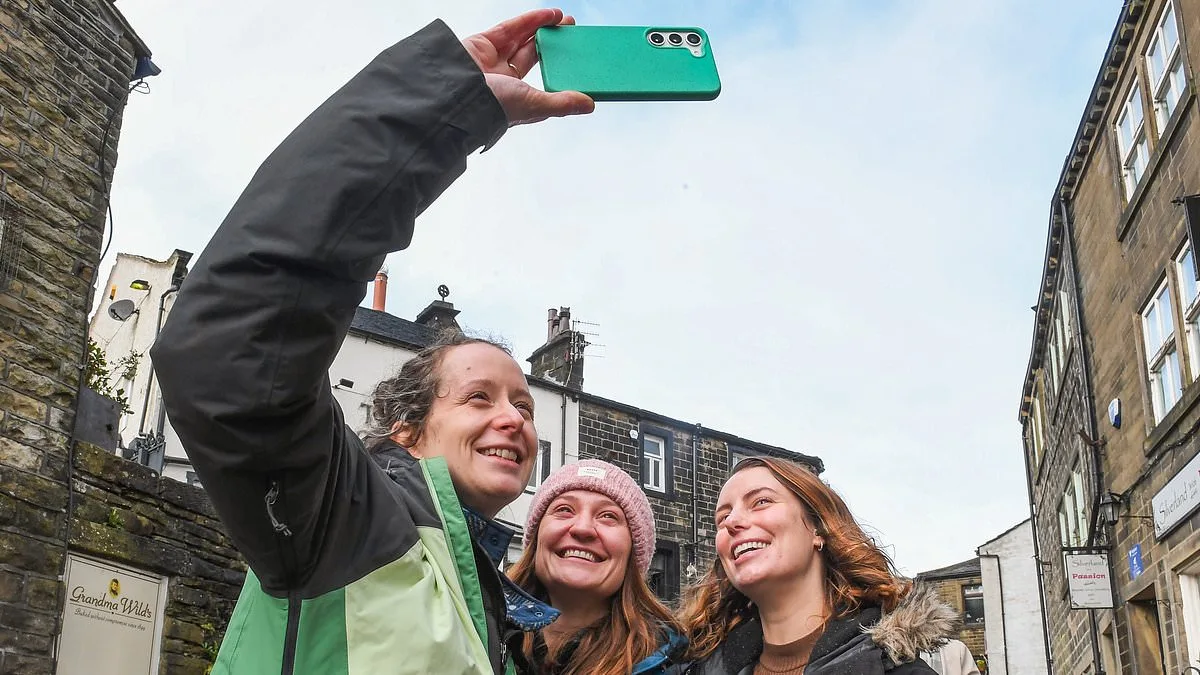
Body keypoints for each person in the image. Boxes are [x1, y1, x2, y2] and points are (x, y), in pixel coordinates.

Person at [151, 8, 593, 674]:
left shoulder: (474, 581)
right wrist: (437, 104)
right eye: (480, 397)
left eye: (525, 407)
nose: (513, 418)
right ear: (408, 428)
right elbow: (229, 353)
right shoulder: (345, 515)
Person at [669, 457, 958, 674]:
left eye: (761, 502)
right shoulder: (695, 667)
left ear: (817, 529)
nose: (732, 522)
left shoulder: (897, 671)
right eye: (722, 517)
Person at [505, 460, 688, 674]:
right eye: (564, 509)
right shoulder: (476, 631)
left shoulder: (678, 665)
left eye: (608, 516)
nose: (583, 528)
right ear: (536, 541)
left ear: (632, 553)